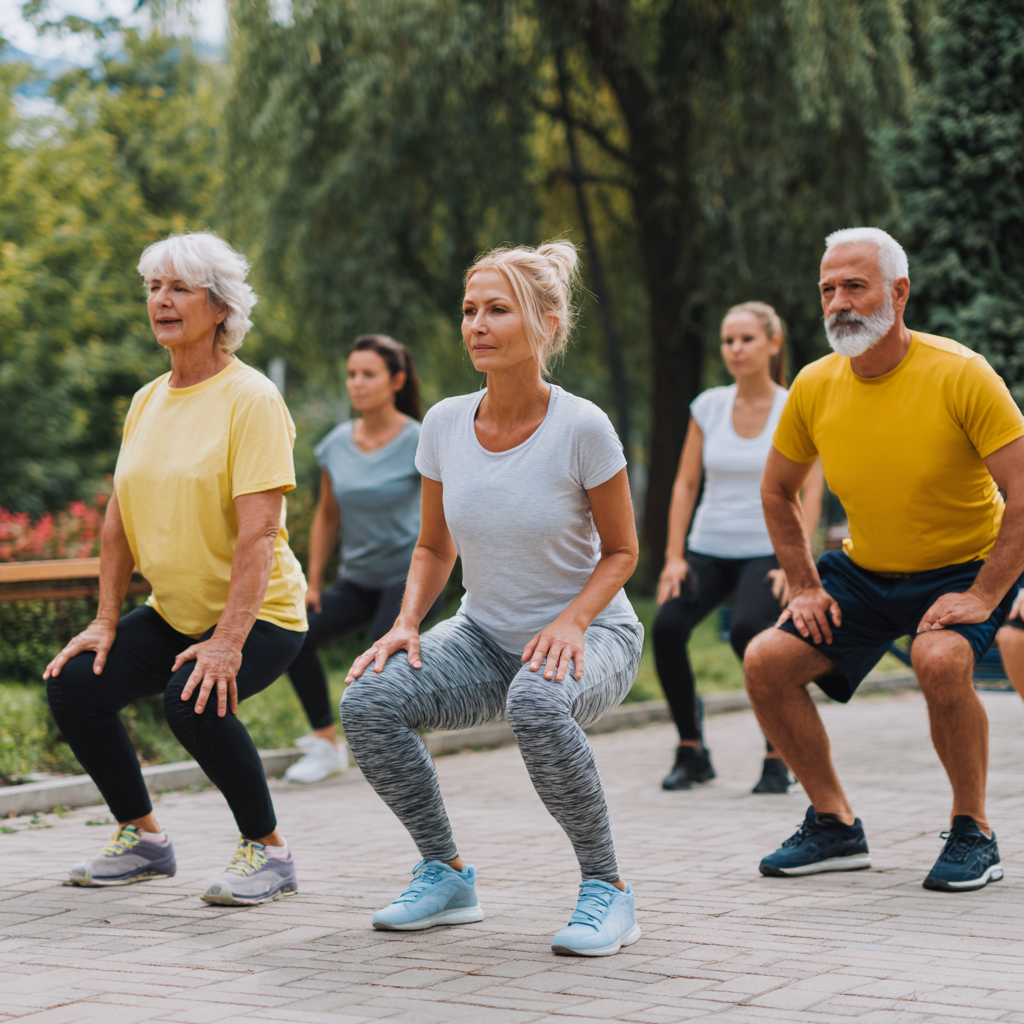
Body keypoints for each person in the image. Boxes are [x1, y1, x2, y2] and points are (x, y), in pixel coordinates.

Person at [339, 240, 645, 957]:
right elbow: (433, 547)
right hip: (484, 638)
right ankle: (445, 875)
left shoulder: (582, 427)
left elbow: (625, 552)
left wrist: (572, 622)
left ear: (546, 322)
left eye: (496, 310)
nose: (476, 324)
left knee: (537, 700)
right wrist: (406, 624)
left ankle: (609, 891)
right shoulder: (444, 423)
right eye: (469, 310)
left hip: (594, 636)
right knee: (368, 699)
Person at [745, 226, 1024, 892]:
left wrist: (985, 595)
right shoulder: (815, 385)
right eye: (827, 289)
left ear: (898, 293)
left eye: (854, 286)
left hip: (963, 566)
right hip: (866, 573)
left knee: (939, 659)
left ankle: (973, 832)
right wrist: (806, 586)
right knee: (766, 663)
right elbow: (777, 491)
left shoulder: (960, 373)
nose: (838, 302)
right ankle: (834, 825)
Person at [44, 232, 308, 906]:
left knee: (193, 699)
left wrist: (226, 643)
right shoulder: (146, 400)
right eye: (154, 288)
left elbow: (259, 536)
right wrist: (105, 621)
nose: (162, 300)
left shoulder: (252, 400)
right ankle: (144, 839)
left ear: (220, 307)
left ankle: (269, 852)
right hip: (175, 612)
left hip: (262, 615)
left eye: (179, 288)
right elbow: (117, 519)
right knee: (77, 682)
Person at [654, 302, 823, 793]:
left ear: (773, 344)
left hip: (768, 548)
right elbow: (685, 485)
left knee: (750, 631)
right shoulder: (707, 406)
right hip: (709, 546)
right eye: (728, 340)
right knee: (666, 626)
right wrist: (673, 556)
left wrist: (798, 565)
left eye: (746, 339)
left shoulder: (795, 405)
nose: (735, 349)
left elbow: (812, 490)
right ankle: (691, 749)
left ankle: (778, 752)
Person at [283, 335, 441, 784]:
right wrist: (312, 582)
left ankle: (404, 751)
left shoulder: (420, 438)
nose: (357, 383)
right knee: (296, 637)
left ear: (396, 381)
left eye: (368, 374)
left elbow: (444, 514)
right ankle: (326, 744)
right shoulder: (335, 444)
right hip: (357, 578)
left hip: (407, 578)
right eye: (352, 374)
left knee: (382, 660)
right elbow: (326, 516)